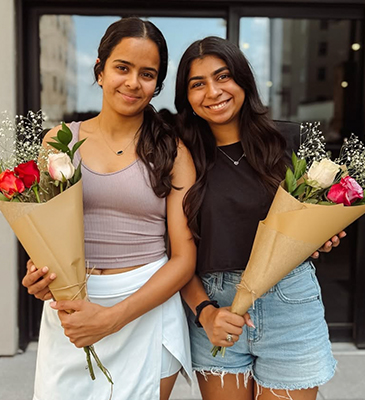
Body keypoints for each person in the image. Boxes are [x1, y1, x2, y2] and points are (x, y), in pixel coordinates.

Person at [22, 17, 196, 400]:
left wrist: (112, 318)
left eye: (147, 74)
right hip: (73, 308)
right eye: (122, 68)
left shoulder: (173, 151)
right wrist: (39, 272)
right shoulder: (61, 141)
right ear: (100, 71)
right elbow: (44, 231)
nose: (133, 82)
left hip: (146, 308)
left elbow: (184, 260)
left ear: (157, 86)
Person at [174, 36, 345, 400]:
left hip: (290, 302)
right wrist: (205, 313)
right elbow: (172, 249)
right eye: (197, 84)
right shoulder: (180, 154)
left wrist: (324, 233)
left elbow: (320, 215)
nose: (213, 91)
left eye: (223, 77)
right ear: (186, 97)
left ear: (243, 81)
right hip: (214, 307)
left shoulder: (290, 139)